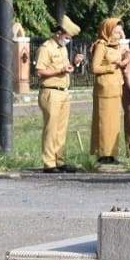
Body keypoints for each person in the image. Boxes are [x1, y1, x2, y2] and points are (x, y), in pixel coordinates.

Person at [35, 15, 82, 173]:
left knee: (61, 129)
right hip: (50, 92)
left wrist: (73, 64)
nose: (68, 40)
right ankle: (49, 163)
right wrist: (61, 70)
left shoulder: (62, 48)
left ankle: (59, 160)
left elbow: (65, 70)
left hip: (63, 92)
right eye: (67, 37)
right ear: (58, 33)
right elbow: (40, 71)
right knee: (51, 128)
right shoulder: (46, 48)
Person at [90, 17, 128, 164]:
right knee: (104, 123)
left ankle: (112, 153)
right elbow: (95, 67)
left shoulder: (115, 46)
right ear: (108, 29)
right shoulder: (102, 46)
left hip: (115, 89)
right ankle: (103, 153)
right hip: (104, 90)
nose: (119, 32)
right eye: (116, 29)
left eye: (120, 29)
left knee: (113, 123)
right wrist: (111, 67)